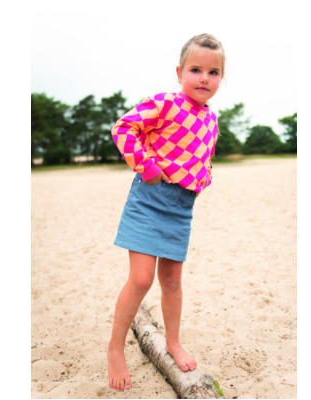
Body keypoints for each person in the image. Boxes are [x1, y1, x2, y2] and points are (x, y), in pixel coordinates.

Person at [107, 33, 225, 392]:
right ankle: (115, 348)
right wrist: (145, 165)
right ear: (179, 72)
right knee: (141, 279)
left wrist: (204, 177)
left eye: (214, 72)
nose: (204, 78)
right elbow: (123, 128)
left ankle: (173, 341)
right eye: (196, 69)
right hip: (149, 198)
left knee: (172, 281)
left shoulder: (212, 120)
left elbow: (204, 157)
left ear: (221, 78)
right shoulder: (164, 103)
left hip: (181, 208)